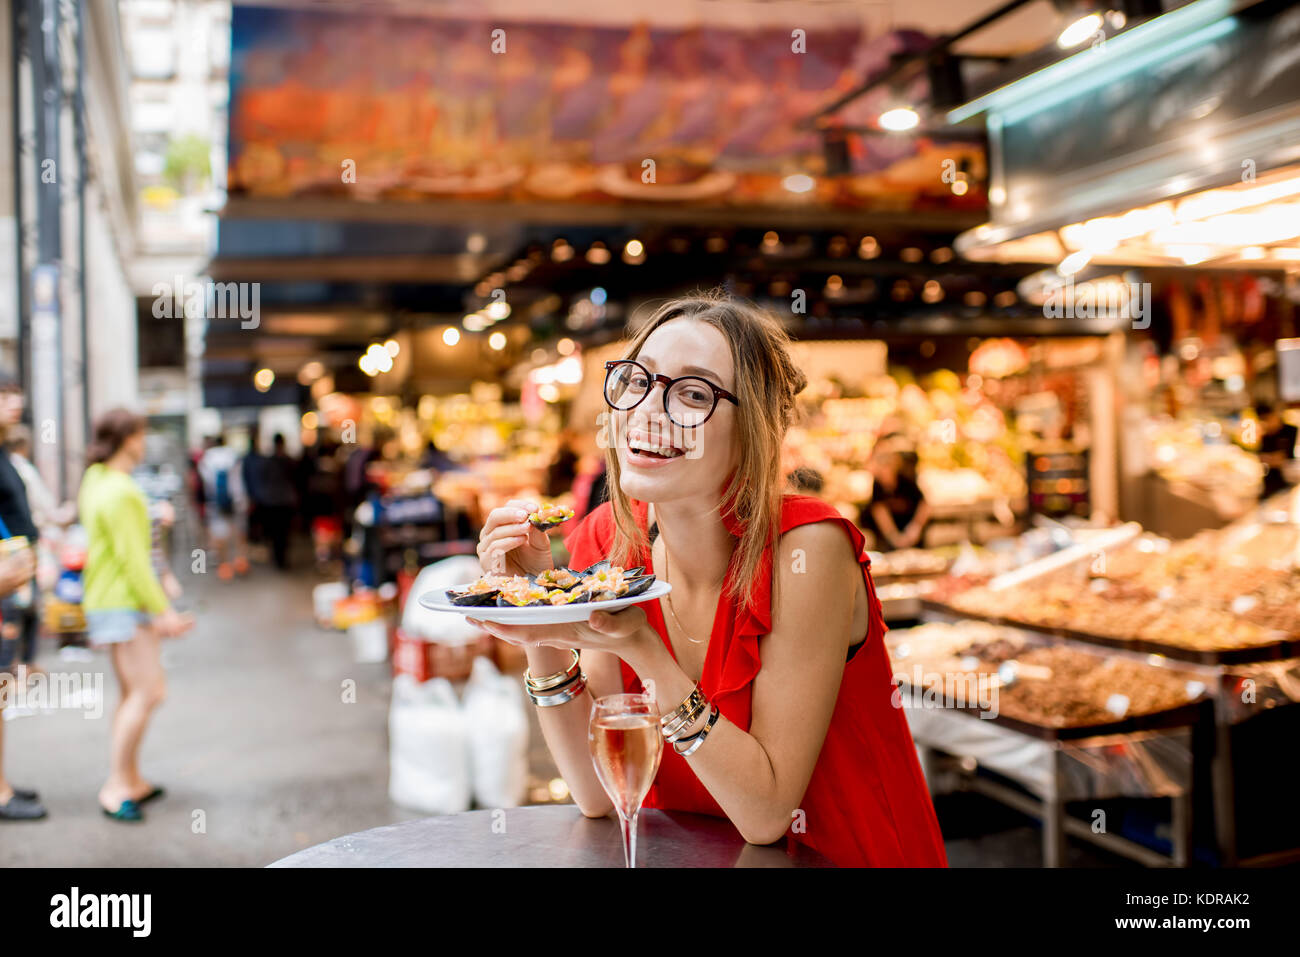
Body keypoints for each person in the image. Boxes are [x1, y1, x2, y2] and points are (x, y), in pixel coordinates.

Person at [471, 295, 947, 866]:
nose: (648, 409)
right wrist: (541, 625)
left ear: (755, 427)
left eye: (693, 394)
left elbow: (767, 813)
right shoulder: (608, 540)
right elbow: (598, 795)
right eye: (637, 380)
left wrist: (647, 655)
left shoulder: (808, 550)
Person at [80, 409, 194, 821]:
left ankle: (131, 780)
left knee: (132, 693)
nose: (143, 441)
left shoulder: (96, 479)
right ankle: (116, 786)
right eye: (141, 434)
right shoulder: (122, 490)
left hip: (107, 599)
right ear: (129, 438)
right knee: (149, 692)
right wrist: (163, 611)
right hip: (125, 603)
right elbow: (135, 560)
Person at [0, 369, 44, 820]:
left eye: (16, 392)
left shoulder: (5, 454)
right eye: (4, 394)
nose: (15, 401)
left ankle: (2, 785)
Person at [197, 432, 250, 579]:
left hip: (215, 502)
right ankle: (241, 562)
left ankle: (224, 567)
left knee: (219, 536)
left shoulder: (206, 459)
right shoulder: (234, 456)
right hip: (237, 500)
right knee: (239, 533)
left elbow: (206, 483)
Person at [860, 445, 931, 551]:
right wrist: (893, 535)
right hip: (891, 530)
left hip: (909, 525)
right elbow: (879, 511)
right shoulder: (877, 484)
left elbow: (924, 504)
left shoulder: (906, 479)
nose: (885, 476)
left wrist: (916, 527)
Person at [258, 433, 299, 570]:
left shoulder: (270, 461)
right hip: (283, 501)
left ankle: (279, 557)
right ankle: (280, 558)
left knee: (278, 532)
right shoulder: (287, 461)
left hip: (274, 501)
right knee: (282, 532)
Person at [1257, 402, 1298, 499]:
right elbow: (1261, 457)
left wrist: (1271, 459)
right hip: (1271, 482)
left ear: (1274, 415)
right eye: (1263, 421)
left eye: (1267, 419)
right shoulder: (1266, 436)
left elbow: (1283, 458)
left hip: (1291, 480)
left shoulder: (1291, 430)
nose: (1266, 424)